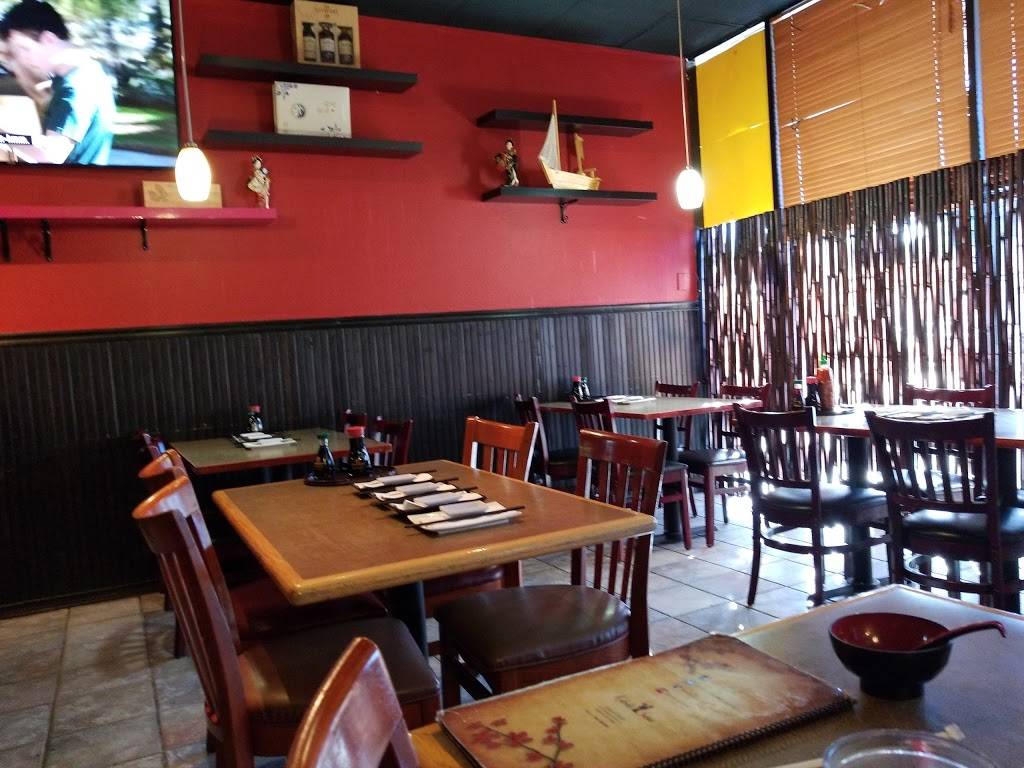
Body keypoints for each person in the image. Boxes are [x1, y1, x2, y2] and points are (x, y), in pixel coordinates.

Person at [0, 0, 115, 164]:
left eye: (25, 49)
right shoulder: (89, 71)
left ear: (48, 39)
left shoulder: (76, 86)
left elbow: (52, 155)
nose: (23, 59)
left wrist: (3, 137)